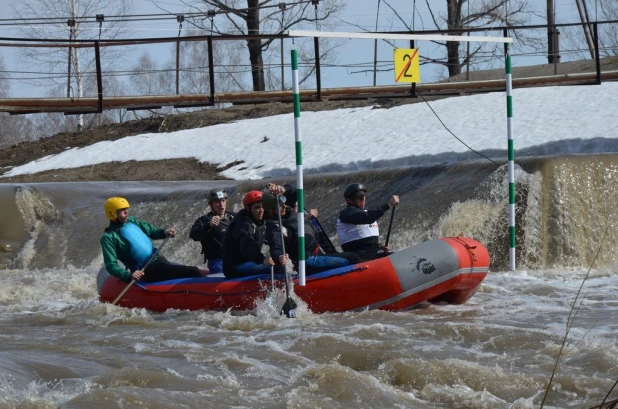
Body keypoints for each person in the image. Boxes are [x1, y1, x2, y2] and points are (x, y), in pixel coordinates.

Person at [100, 197, 203, 283]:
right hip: (146, 270)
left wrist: (164, 232)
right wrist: (128, 275)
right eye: (122, 210)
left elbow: (152, 231)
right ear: (112, 214)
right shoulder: (108, 238)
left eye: (126, 209)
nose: (126, 212)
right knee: (194, 271)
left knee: (189, 271)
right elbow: (111, 265)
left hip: (158, 259)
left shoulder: (132, 221)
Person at [262, 186, 360, 274]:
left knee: (352, 256)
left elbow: (297, 191)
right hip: (307, 262)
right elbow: (276, 247)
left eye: (282, 203)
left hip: (318, 253)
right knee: (350, 259)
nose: (283, 206)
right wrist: (279, 257)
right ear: (270, 210)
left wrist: (283, 189)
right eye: (278, 206)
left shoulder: (289, 211)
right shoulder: (274, 227)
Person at [221, 190, 288, 279]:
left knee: (280, 266)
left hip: (250, 261)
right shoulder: (243, 224)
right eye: (257, 207)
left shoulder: (260, 218)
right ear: (248, 208)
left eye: (263, 207)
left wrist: (278, 255)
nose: (261, 211)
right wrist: (262, 259)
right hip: (234, 267)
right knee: (276, 269)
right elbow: (248, 245)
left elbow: (274, 237)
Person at [336, 183, 399, 262]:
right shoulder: (346, 214)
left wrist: (379, 246)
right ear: (349, 200)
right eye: (358, 197)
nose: (363, 200)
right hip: (359, 260)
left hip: (372, 256)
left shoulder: (364, 213)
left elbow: (364, 241)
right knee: (395, 258)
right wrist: (389, 204)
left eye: (363, 196)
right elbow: (367, 218)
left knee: (394, 256)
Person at [189, 189, 235, 273]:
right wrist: (208, 226)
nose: (221, 204)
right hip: (217, 261)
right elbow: (193, 235)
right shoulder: (203, 220)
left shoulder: (234, 217)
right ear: (210, 204)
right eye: (217, 202)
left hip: (237, 259)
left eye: (223, 201)